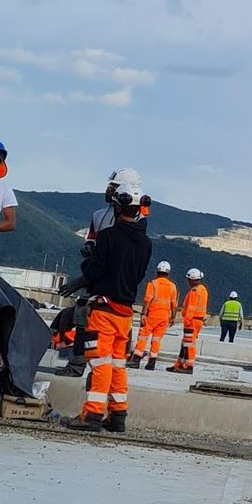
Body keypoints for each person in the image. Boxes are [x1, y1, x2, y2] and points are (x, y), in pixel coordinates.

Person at [76, 182, 152, 434]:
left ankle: (92, 414)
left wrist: (86, 265)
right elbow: (138, 275)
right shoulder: (146, 243)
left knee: (100, 362)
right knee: (118, 364)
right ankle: (118, 414)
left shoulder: (108, 236)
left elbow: (94, 271)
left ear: (118, 207)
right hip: (125, 313)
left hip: (104, 310)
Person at [136, 261, 178, 370]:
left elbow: (147, 299)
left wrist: (143, 313)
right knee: (157, 340)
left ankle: (136, 360)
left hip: (152, 315)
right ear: (168, 273)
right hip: (164, 317)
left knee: (143, 336)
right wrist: (173, 318)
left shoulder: (153, 283)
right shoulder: (173, 286)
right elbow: (174, 304)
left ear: (157, 271)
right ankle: (151, 363)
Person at [170, 269, 209, 372]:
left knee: (189, 343)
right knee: (185, 343)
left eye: (188, 280)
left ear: (192, 279)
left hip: (192, 321)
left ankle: (188, 366)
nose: (188, 282)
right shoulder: (203, 290)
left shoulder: (194, 291)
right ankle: (179, 364)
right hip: (198, 320)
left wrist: (187, 321)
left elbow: (191, 308)